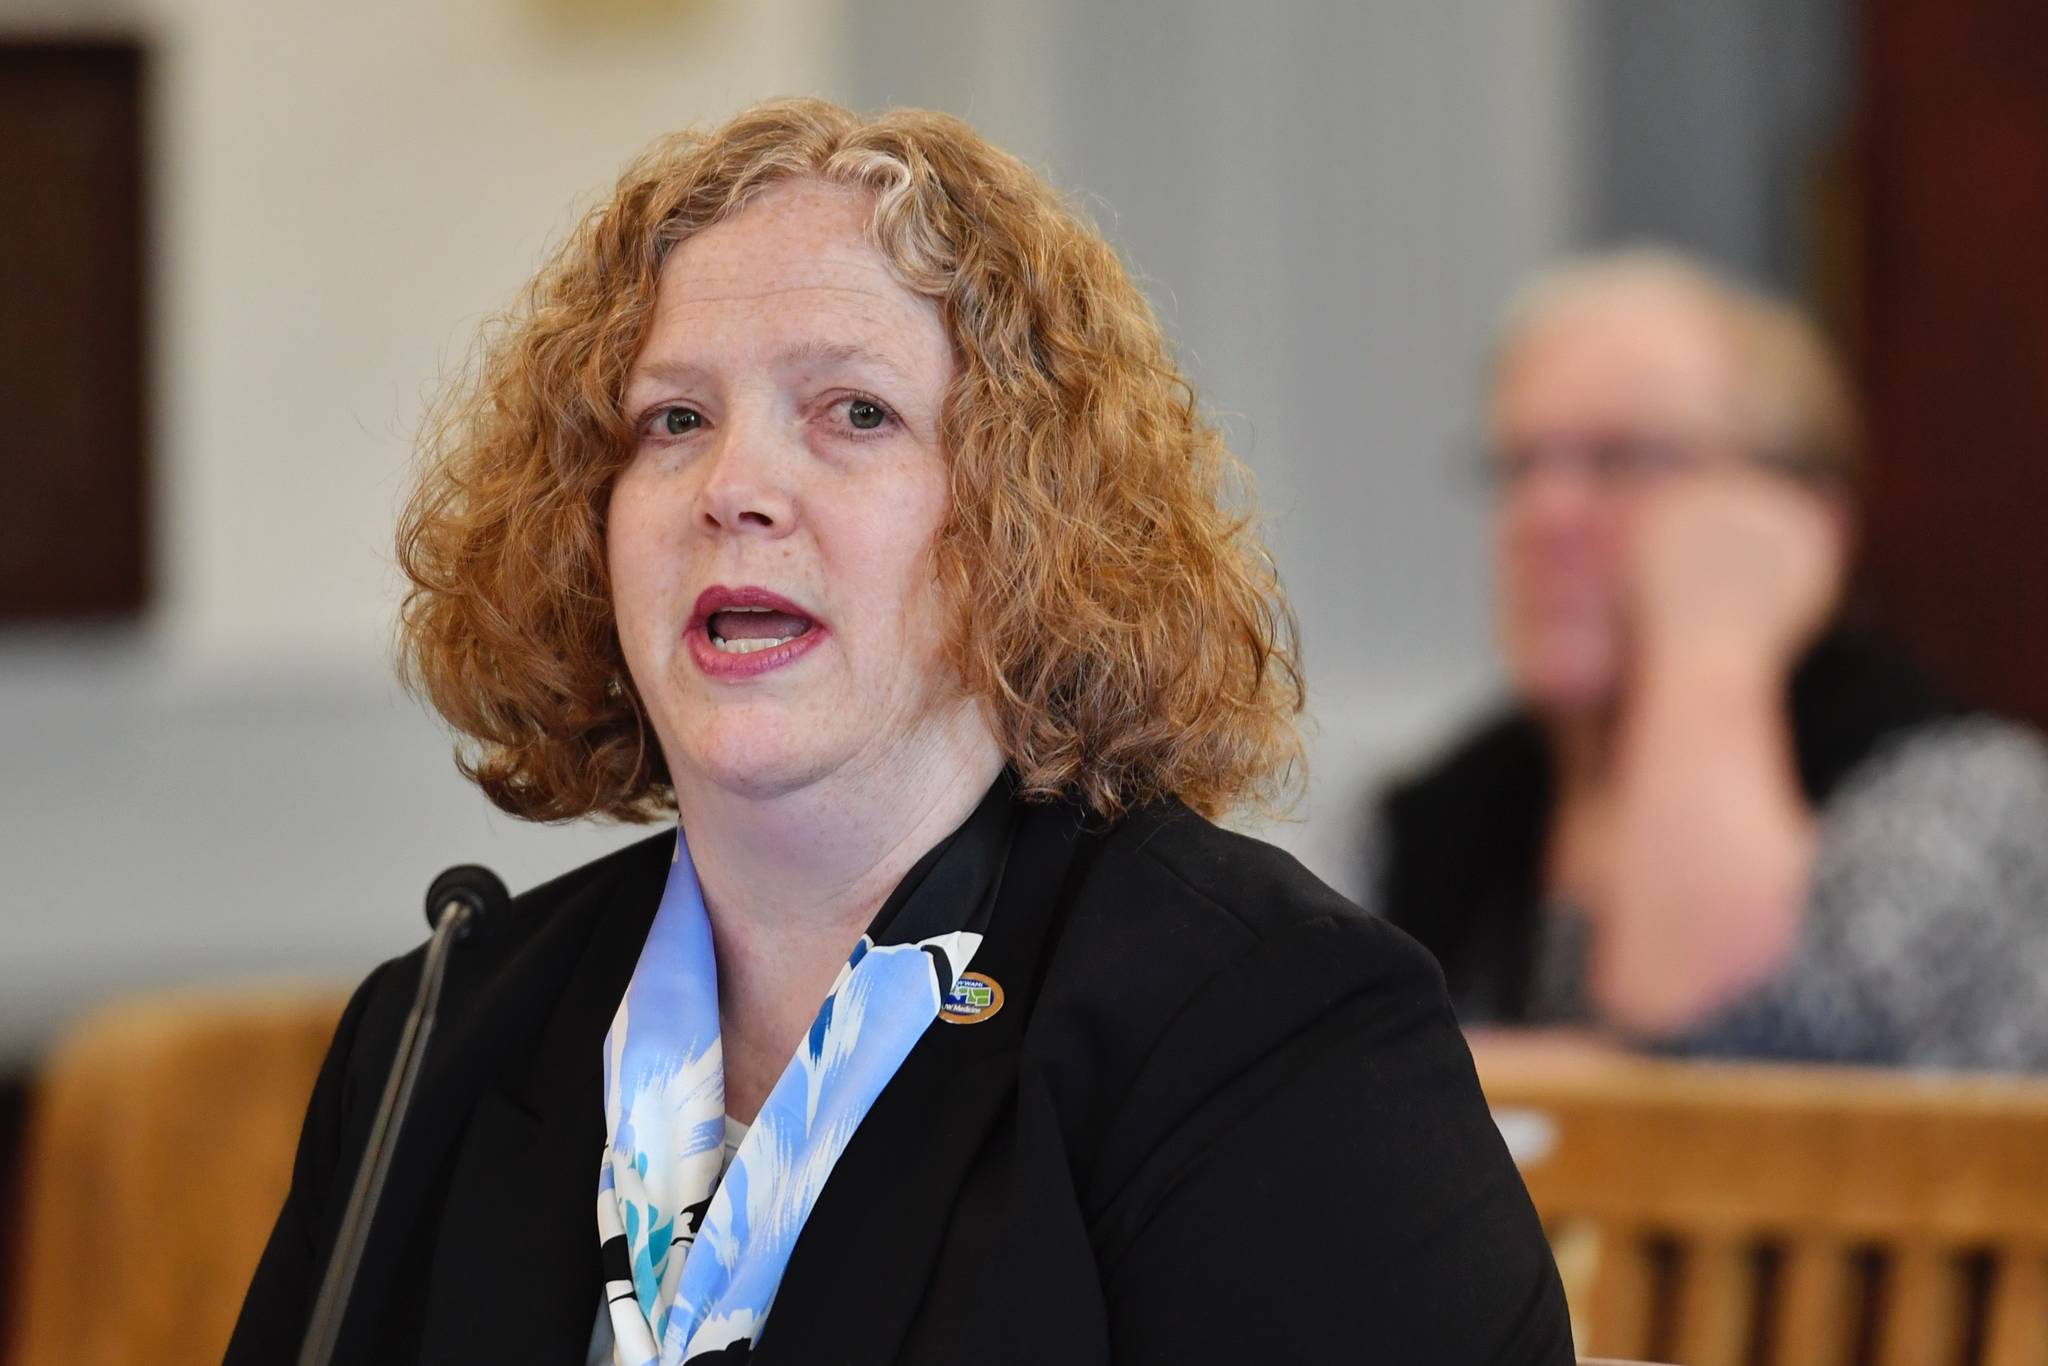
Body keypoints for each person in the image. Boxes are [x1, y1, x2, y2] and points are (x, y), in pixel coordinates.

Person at [226, 100, 1571, 1366]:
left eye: (855, 412)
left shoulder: (1267, 1029)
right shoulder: (434, 1035)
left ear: (1029, 523)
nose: (735, 488)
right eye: (673, 420)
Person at [1372, 247, 2048, 1069]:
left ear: (1802, 515)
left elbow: (1728, 1048)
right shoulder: (1433, 816)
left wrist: (1712, 649)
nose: (1544, 513)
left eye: (1622, 459)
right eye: (1520, 464)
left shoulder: (1965, 802)